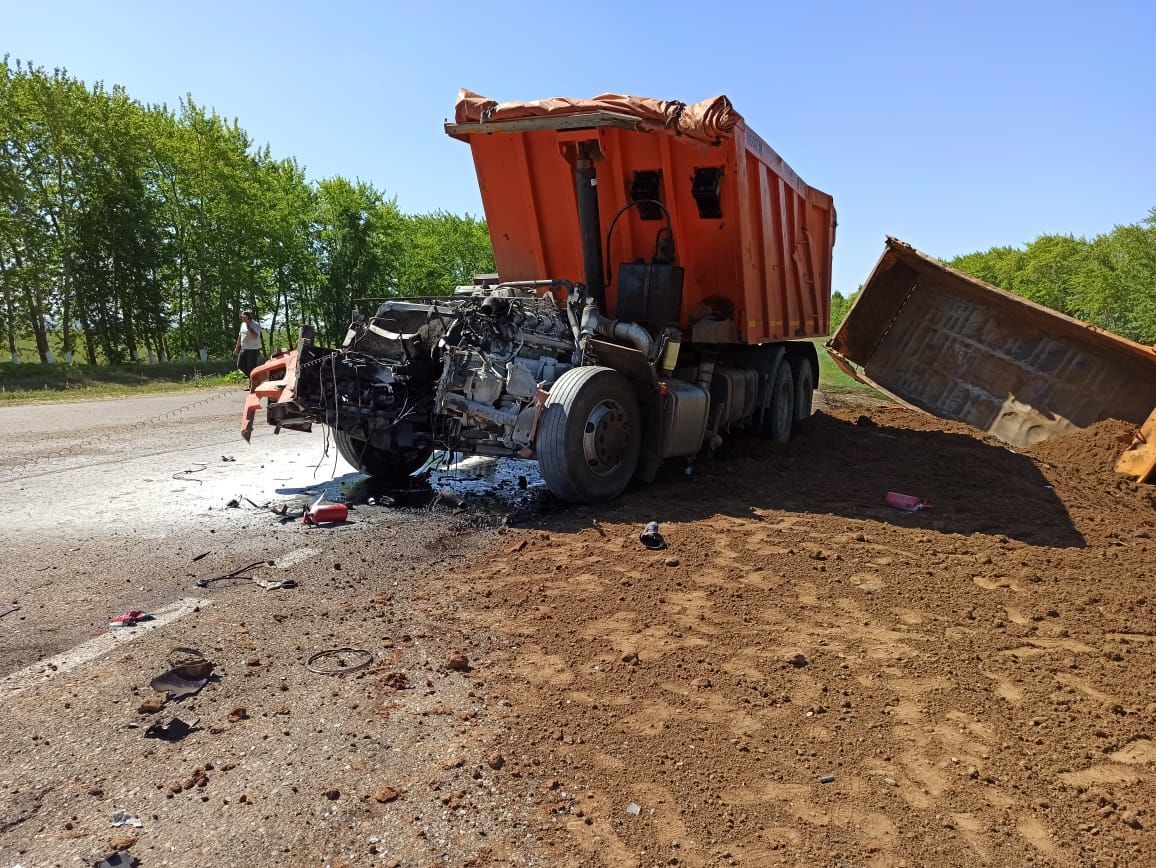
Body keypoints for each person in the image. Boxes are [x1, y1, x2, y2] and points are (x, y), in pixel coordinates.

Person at [234, 311, 262, 377]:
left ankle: (253, 381)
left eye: (244, 317)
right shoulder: (242, 324)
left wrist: (249, 327)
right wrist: (237, 348)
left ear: (249, 318)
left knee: (251, 367)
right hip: (243, 348)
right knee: (240, 365)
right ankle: (253, 378)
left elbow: (255, 336)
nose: (242, 319)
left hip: (252, 349)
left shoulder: (256, 324)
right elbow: (240, 336)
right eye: (242, 317)